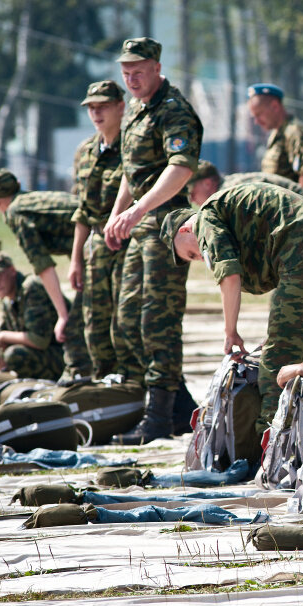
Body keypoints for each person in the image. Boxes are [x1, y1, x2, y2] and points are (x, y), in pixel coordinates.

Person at [160, 180, 303, 435]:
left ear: (184, 230)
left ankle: (270, 448)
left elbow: (229, 276)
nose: (198, 258)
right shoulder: (225, 213)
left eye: (191, 255)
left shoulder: (204, 218)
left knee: (278, 360)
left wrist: (230, 332)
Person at [104, 37, 203, 444]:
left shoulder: (173, 110)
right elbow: (133, 169)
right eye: (126, 73)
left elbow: (180, 169)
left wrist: (139, 210)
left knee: (156, 320)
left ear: (157, 67)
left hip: (166, 224)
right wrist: (117, 215)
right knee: (127, 320)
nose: (132, 79)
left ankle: (159, 416)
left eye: (139, 71)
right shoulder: (135, 110)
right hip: (140, 223)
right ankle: (182, 409)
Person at [0, 169, 91, 379]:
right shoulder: (33, 199)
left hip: (103, 242)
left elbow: (43, 267)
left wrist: (62, 315)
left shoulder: (15, 212)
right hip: (109, 234)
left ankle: (86, 381)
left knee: (78, 324)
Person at [69, 80, 127, 379]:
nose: (96, 113)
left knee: (124, 323)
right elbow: (82, 210)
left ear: (121, 106)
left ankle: (131, 384)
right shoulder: (85, 151)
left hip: (127, 245)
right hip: (96, 247)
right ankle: (107, 382)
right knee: (95, 324)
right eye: (91, 107)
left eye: (103, 106)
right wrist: (76, 258)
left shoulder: (133, 145)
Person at [0, 251, 66, 380]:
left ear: (12, 271)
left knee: (15, 355)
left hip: (66, 353)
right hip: (49, 354)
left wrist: (2, 337)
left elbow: (39, 340)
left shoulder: (31, 288)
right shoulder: (8, 299)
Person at [247, 83, 303, 193]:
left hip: (290, 208)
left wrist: (300, 205)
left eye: (259, 114)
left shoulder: (294, 131)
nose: (256, 121)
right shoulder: (275, 134)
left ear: (275, 106)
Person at [187, 160, 303, 206]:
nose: (191, 199)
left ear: (207, 183)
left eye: (192, 192)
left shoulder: (228, 194)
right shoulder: (228, 187)